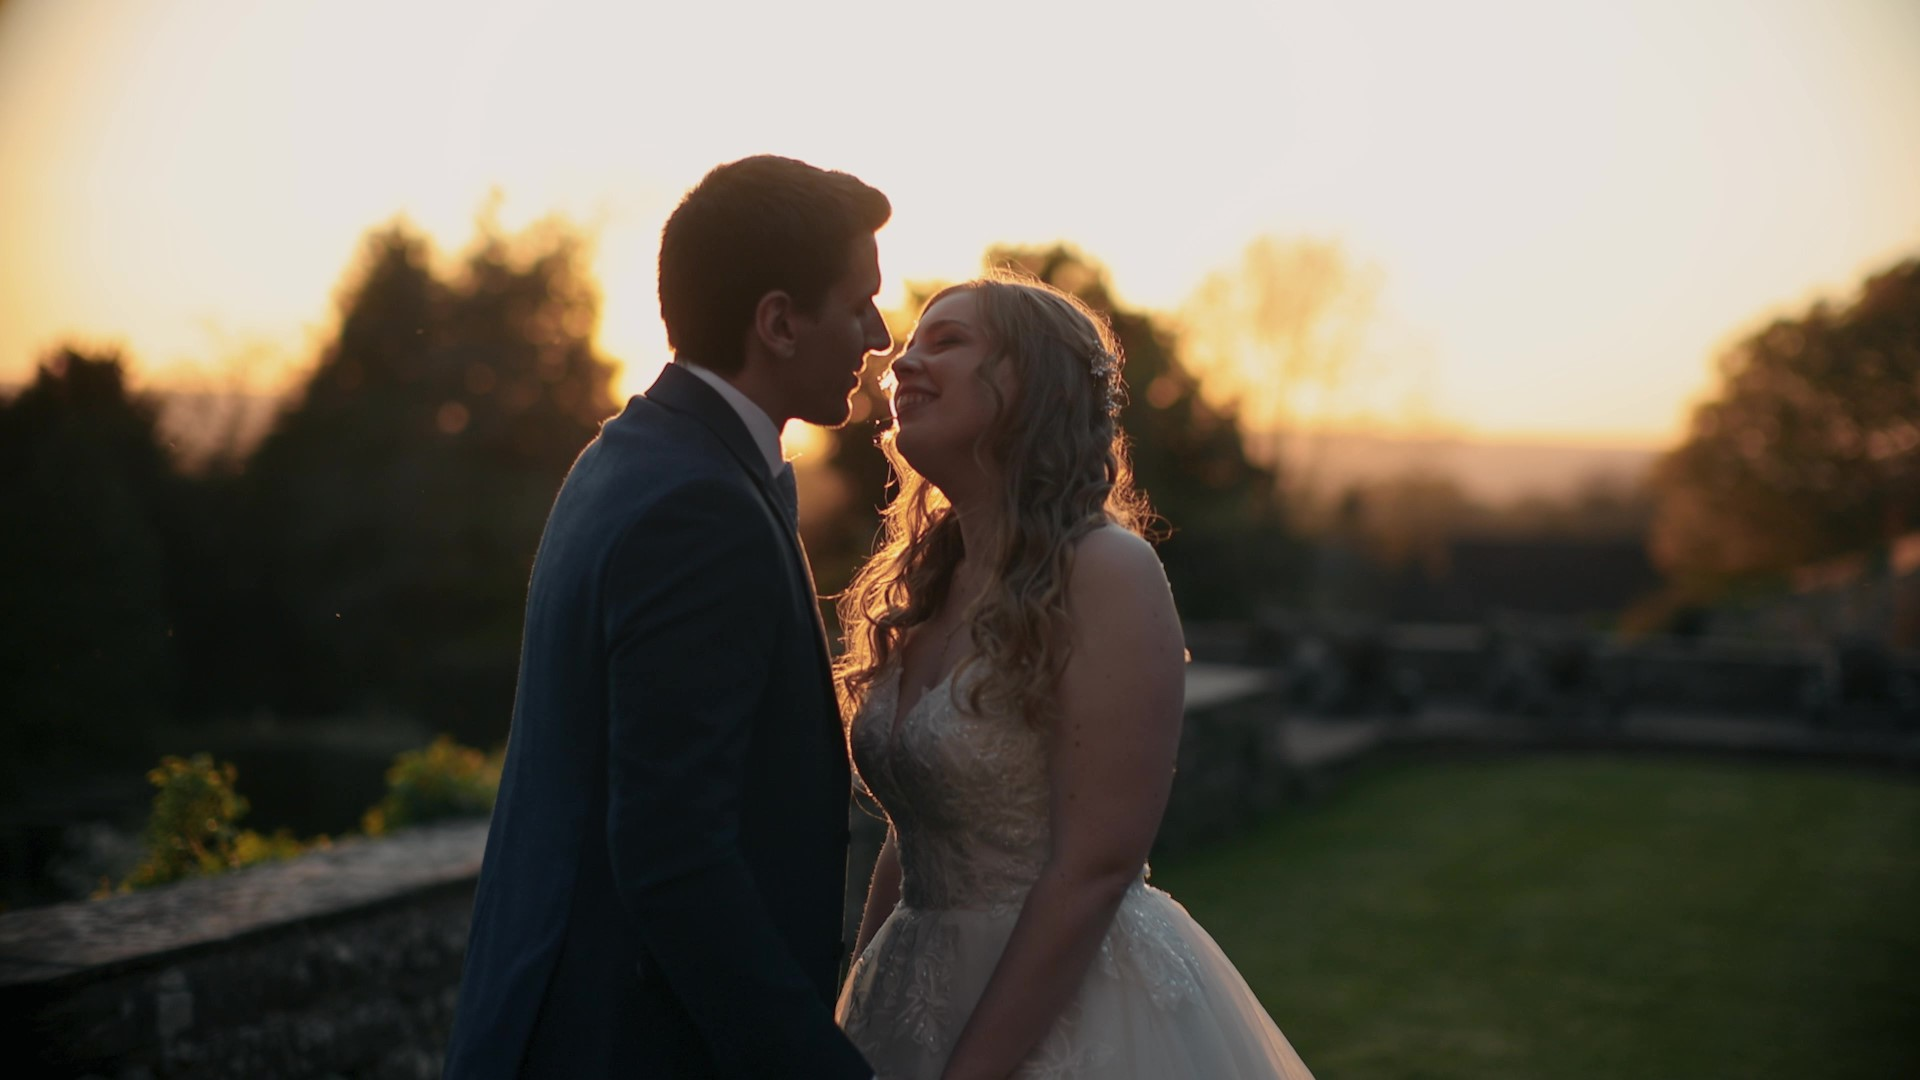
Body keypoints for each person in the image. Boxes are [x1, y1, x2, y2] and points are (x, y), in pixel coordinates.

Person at [443, 155, 890, 1079]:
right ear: (777, 321)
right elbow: (673, 851)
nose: (879, 334)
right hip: (626, 1045)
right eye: (858, 305)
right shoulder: (700, 509)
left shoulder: (631, 455)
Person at [832, 275, 1316, 1079]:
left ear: (1034, 385)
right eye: (910, 346)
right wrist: (854, 1003)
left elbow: (1095, 867)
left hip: (1073, 1015)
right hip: (906, 1003)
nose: (902, 363)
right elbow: (916, 829)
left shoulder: (1106, 570)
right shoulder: (930, 581)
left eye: (946, 342)